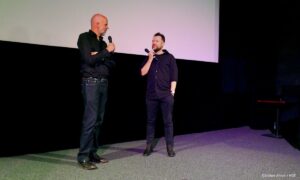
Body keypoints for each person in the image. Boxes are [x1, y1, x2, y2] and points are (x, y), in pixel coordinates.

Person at [77, 13, 116, 170]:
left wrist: (100, 55)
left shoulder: (102, 43)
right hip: (91, 83)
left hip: (103, 84)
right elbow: (89, 60)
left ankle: (93, 153)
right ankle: (83, 157)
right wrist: (105, 53)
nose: (107, 27)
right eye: (106, 24)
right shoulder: (84, 38)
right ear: (97, 24)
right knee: (90, 120)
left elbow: (112, 64)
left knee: (99, 121)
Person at [141, 32, 178, 157]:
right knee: (150, 122)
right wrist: (150, 59)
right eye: (152, 41)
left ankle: (169, 147)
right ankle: (148, 146)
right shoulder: (149, 57)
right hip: (151, 95)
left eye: (156, 40)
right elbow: (142, 72)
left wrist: (172, 93)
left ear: (162, 43)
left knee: (168, 122)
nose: (154, 43)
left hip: (166, 95)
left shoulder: (170, 57)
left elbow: (174, 77)